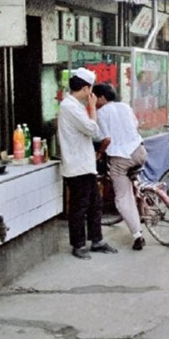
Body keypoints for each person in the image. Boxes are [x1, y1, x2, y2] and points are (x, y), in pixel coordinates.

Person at [57, 67, 118, 259]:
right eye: (90, 90)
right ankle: (78, 244)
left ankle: (96, 240)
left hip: (84, 163)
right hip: (77, 165)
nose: (91, 95)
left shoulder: (73, 105)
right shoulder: (69, 106)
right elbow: (92, 128)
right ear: (85, 88)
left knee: (94, 203)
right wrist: (92, 108)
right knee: (80, 206)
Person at [92, 83, 146, 250]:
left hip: (121, 158)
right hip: (140, 151)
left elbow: (106, 139)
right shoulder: (125, 106)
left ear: (101, 97)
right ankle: (146, 200)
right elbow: (135, 125)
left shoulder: (100, 113)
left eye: (94, 97)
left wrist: (99, 153)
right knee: (132, 188)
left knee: (122, 198)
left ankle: (138, 235)